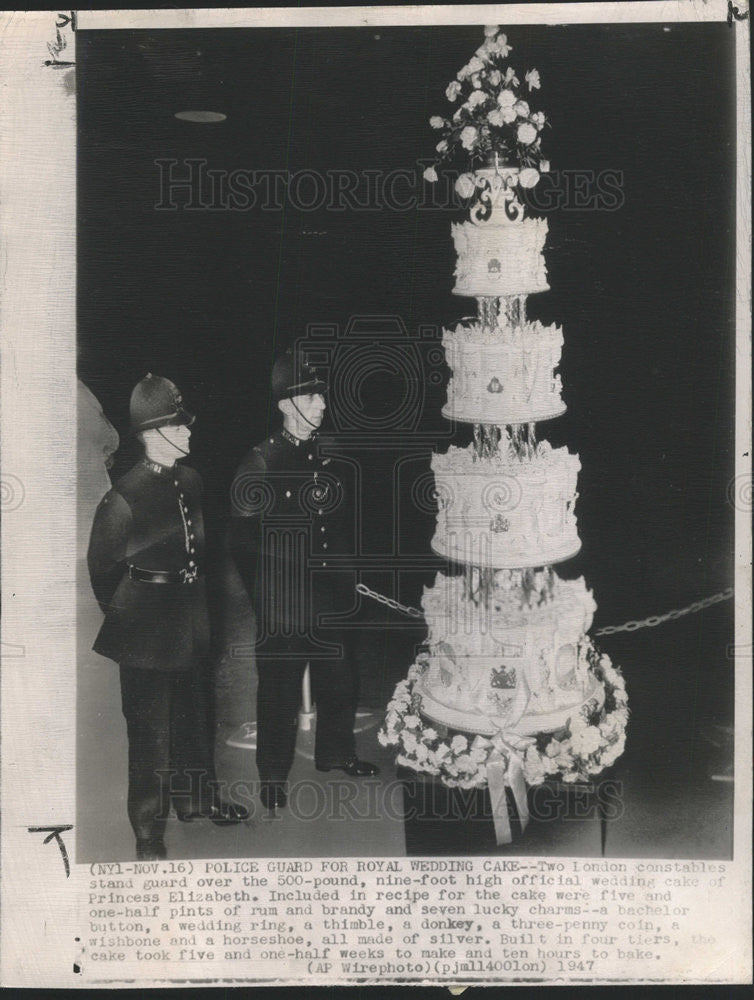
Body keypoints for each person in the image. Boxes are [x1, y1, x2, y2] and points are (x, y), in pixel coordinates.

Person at [87, 373, 248, 861]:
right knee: (150, 732)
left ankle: (197, 800)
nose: (190, 434)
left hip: (189, 617)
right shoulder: (123, 498)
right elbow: (103, 572)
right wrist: (135, 618)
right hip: (144, 630)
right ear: (155, 433)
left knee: (195, 716)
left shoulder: (189, 481)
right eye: (181, 427)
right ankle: (147, 830)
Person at [228, 350, 378, 812]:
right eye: (309, 397)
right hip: (284, 602)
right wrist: (268, 599)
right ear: (283, 406)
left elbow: (341, 524)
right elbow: (242, 542)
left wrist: (348, 577)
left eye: (320, 396)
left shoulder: (328, 454)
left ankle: (336, 753)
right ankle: (272, 777)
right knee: (279, 690)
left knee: (339, 678)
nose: (320, 404)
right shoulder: (261, 463)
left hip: (330, 593)